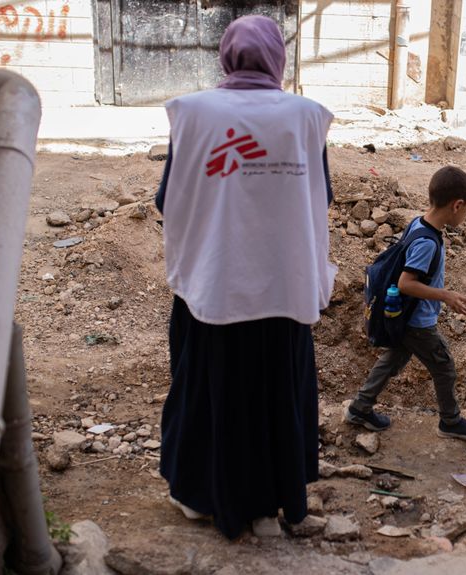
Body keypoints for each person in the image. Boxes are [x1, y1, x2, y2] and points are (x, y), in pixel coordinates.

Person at [154, 15, 335, 539]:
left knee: (209, 392)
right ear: (279, 58)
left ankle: (199, 495)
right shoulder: (306, 117)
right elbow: (319, 199)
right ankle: (271, 501)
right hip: (284, 284)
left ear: (226, 55)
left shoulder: (192, 113)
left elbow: (168, 199)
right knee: (275, 395)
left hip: (213, 283)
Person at [346, 166, 466, 441]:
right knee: (444, 366)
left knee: (392, 360)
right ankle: (450, 420)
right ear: (457, 205)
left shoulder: (418, 223)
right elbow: (405, 283)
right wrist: (446, 295)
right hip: (417, 322)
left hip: (405, 316)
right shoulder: (428, 243)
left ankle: (360, 408)